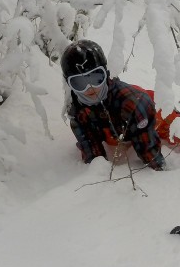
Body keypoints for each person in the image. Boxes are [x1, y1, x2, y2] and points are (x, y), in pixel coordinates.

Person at [61, 39, 166, 170]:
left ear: (106, 73)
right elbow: (92, 153)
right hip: (115, 126)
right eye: (79, 83)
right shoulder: (77, 110)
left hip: (149, 108)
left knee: (171, 126)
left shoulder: (135, 104)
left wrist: (160, 170)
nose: (90, 88)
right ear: (69, 84)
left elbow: (149, 150)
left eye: (95, 78)